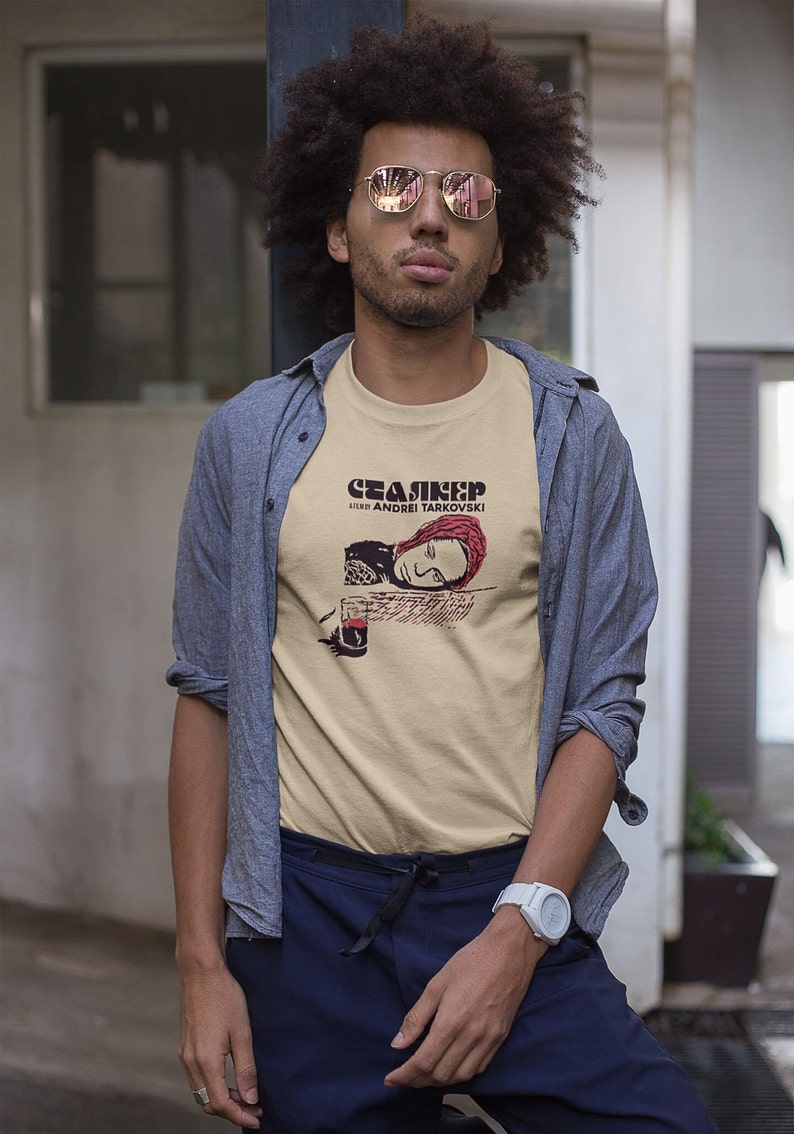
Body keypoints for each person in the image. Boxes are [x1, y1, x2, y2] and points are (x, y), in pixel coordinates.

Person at [167, 16, 718, 1134]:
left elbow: (598, 708)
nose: (429, 213)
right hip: (306, 921)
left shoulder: (570, 435)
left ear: (499, 235)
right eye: (395, 186)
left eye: (465, 196)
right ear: (334, 227)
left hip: (506, 894)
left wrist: (519, 931)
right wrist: (198, 965)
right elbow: (207, 697)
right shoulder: (251, 442)